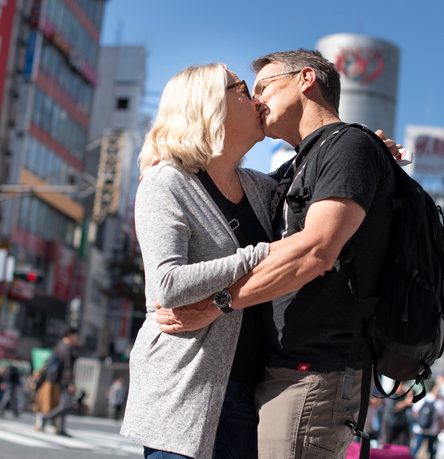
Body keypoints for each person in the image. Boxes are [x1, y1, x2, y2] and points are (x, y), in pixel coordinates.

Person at [155, 49, 398, 459]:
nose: (256, 100)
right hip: (277, 374)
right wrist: (167, 164)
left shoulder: (346, 147)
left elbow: (317, 251)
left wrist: (217, 304)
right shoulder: (296, 169)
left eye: (263, 86)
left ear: (306, 79)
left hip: (314, 372)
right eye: (248, 91)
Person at [120, 63, 277, 459]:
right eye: (243, 88)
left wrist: (367, 150)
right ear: (209, 104)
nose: (257, 99)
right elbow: (168, 285)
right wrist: (259, 256)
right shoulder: (166, 182)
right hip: (183, 390)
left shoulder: (262, 188)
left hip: (249, 393)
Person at [40, 328, 79, 436]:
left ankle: (60, 428)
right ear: (70, 335)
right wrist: (70, 382)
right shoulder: (68, 348)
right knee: (66, 405)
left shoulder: (59, 346)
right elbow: (68, 367)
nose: (76, 338)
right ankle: (46, 418)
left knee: (63, 403)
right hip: (65, 380)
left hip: (58, 379)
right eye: (75, 335)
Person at [410, 378, 444, 459]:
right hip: (433, 430)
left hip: (419, 428)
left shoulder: (421, 398)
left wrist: (420, 421)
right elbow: (440, 417)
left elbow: (414, 413)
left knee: (416, 449)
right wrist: (440, 429)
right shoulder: (438, 402)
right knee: (431, 450)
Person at [380, 381, 413, 446]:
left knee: (403, 444)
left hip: (402, 424)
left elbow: (410, 405)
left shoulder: (404, 396)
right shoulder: (391, 395)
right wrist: (406, 403)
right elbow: (394, 408)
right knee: (388, 444)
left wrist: (410, 396)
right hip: (390, 423)